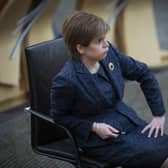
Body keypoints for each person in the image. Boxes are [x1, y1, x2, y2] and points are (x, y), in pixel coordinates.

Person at [50, 11, 168, 168]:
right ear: (81, 48)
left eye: (104, 38)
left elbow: (143, 73)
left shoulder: (109, 53)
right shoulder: (66, 80)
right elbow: (59, 117)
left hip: (126, 120)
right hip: (98, 138)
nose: (106, 44)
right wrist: (93, 127)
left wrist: (158, 114)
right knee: (158, 156)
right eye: (99, 41)